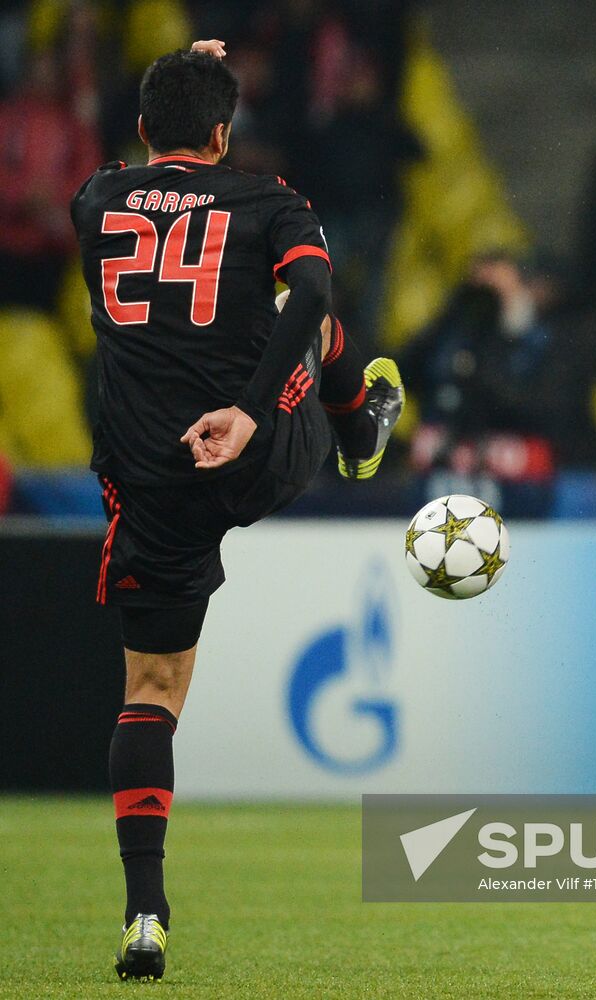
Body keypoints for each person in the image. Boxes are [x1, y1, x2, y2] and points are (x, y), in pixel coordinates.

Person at [70, 40, 404, 982]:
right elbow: (312, 290)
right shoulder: (267, 201)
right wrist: (251, 412)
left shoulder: (95, 201)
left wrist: (178, 69)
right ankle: (357, 425)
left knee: (151, 694)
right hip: (253, 446)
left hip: (149, 474)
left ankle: (145, 913)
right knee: (325, 326)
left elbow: (151, 181)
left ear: (142, 130)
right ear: (225, 133)